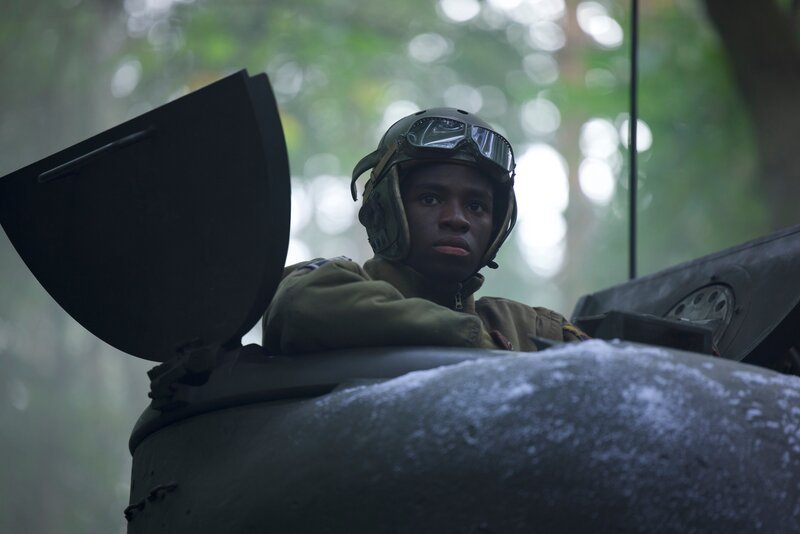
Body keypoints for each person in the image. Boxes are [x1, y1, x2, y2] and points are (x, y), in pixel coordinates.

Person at [262, 107, 588, 353]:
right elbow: (298, 306)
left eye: (476, 206)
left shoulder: (525, 328)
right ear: (384, 210)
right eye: (430, 199)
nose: (457, 219)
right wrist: (472, 340)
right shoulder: (328, 288)